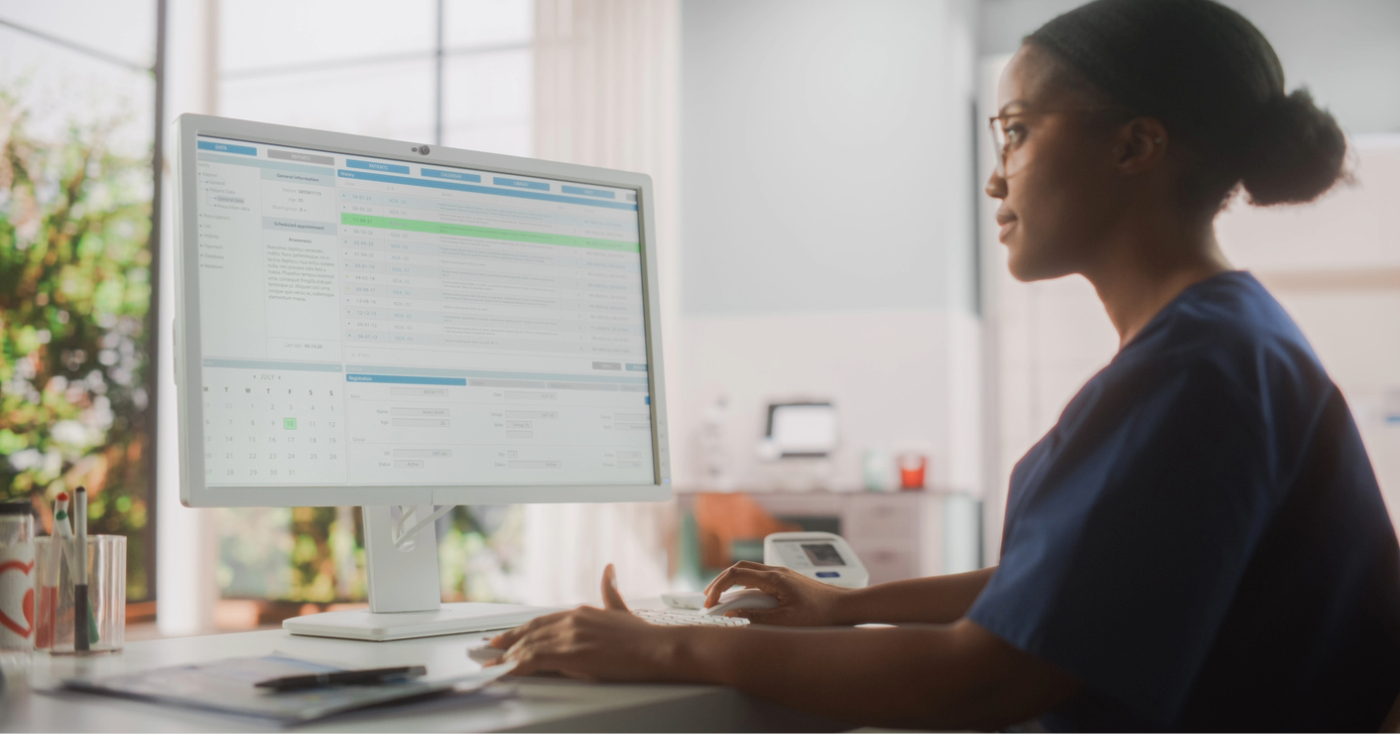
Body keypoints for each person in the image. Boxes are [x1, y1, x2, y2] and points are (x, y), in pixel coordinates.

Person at [486, 0, 1400, 729]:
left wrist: (661, 649)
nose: (996, 178)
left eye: (1016, 131)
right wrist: (846, 608)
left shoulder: (1200, 368)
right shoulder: (1228, 339)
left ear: (1135, 145)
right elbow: (1082, 584)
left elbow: (987, 681)